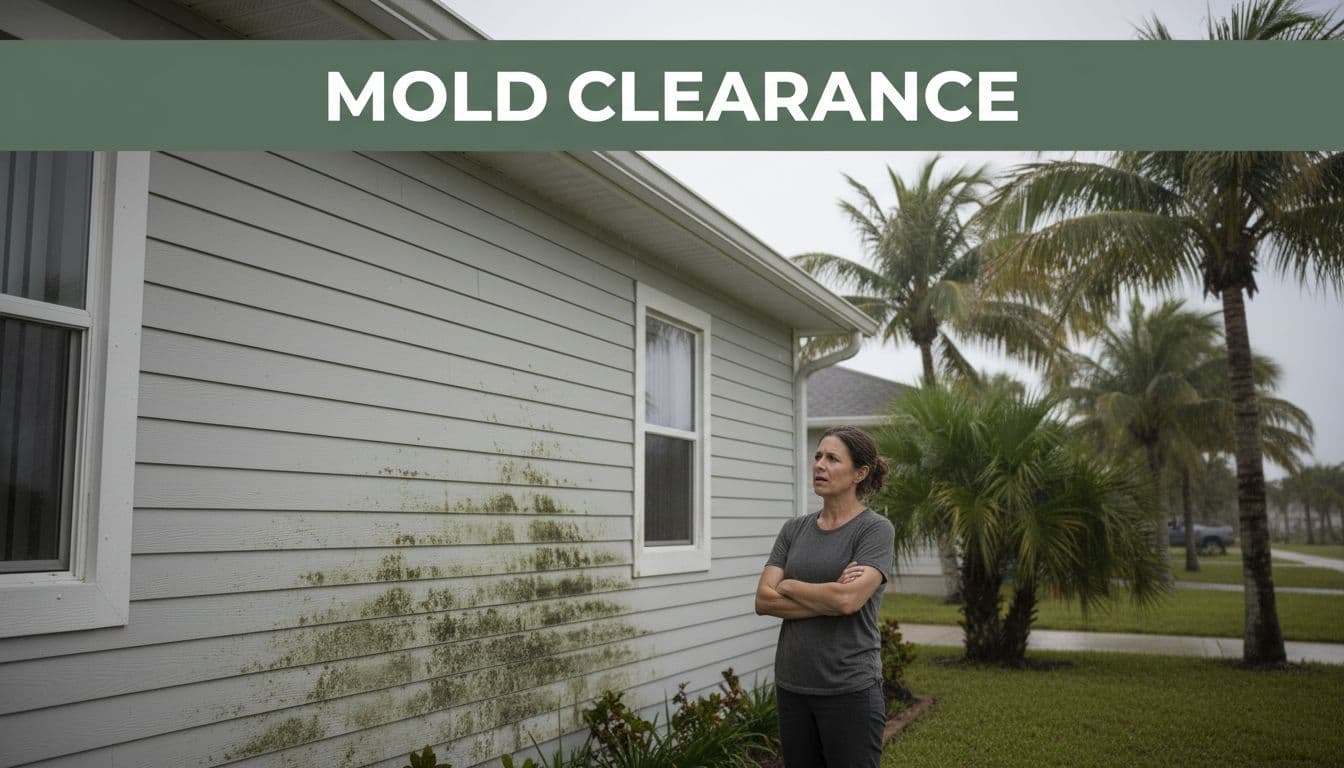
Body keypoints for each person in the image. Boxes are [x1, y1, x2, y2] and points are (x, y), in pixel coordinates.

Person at [754, 425, 895, 768]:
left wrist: (790, 585)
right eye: (818, 456)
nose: (819, 465)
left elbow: (848, 601)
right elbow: (763, 601)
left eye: (833, 458)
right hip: (793, 687)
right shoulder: (794, 529)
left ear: (860, 473)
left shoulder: (874, 530)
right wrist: (829, 596)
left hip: (849, 689)